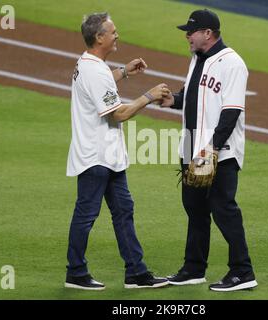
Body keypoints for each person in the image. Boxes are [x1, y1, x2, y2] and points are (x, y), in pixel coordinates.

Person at [65, 12, 170, 290]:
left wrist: (124, 71)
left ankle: (136, 272)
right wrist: (149, 96)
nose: (117, 35)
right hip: (95, 157)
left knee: (124, 210)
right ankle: (75, 272)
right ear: (99, 37)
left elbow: (101, 84)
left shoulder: (89, 64)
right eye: (113, 32)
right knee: (86, 215)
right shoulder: (94, 70)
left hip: (108, 157)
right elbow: (118, 114)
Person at [161, 9, 257, 292]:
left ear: (208, 33)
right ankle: (193, 268)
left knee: (223, 209)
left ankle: (242, 271)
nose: (187, 36)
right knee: (195, 209)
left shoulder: (233, 64)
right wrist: (174, 101)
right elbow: (196, 98)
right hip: (191, 147)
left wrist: (211, 150)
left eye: (191, 31)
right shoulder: (197, 59)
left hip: (219, 152)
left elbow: (231, 112)